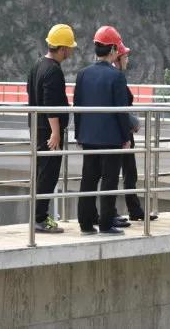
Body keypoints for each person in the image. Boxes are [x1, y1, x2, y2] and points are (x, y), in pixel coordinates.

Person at [74, 26, 131, 235]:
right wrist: (126, 137)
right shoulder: (116, 77)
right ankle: (106, 224)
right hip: (111, 138)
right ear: (114, 49)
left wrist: (78, 134)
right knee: (109, 181)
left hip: (88, 137)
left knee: (88, 179)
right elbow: (121, 111)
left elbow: (77, 106)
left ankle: (85, 223)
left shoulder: (83, 74)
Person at [26, 24, 76, 233]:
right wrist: (55, 132)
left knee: (41, 173)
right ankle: (40, 219)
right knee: (48, 175)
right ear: (62, 48)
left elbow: (32, 94)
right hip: (48, 132)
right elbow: (50, 104)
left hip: (37, 127)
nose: (71, 51)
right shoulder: (53, 70)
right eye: (69, 47)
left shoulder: (37, 65)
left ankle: (38, 216)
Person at [112, 43, 157, 222]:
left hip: (123, 130)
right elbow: (120, 107)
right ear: (118, 58)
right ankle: (119, 211)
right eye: (125, 56)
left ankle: (134, 209)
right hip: (120, 133)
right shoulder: (116, 77)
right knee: (118, 173)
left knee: (129, 172)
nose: (127, 60)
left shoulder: (117, 76)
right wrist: (130, 125)